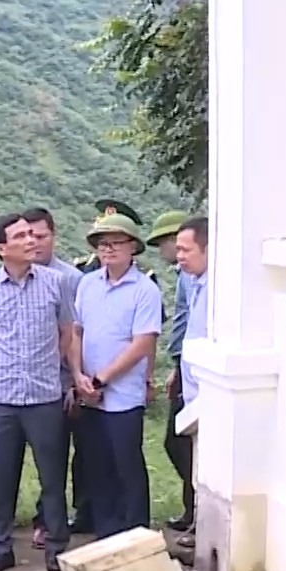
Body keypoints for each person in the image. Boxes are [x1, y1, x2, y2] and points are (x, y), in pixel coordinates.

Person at [0, 212, 77, 571]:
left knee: (52, 475)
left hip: (44, 395)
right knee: (1, 476)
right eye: (20, 237)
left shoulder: (56, 282)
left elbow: (67, 332)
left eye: (33, 235)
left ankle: (56, 545)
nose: (31, 241)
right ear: (2, 249)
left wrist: (50, 368)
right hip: (1, 397)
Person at [72, 213, 163, 539]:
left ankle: (136, 535)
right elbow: (76, 332)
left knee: (127, 466)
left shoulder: (144, 289)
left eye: (115, 243)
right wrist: (78, 376)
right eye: (101, 243)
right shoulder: (87, 283)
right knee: (96, 467)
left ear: (132, 247)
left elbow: (142, 343)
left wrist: (101, 379)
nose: (107, 250)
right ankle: (105, 533)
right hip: (88, 392)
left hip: (123, 395)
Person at [23, 206, 88, 548]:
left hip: (65, 382)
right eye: (27, 235)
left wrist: (74, 380)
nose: (33, 242)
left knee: (71, 456)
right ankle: (44, 520)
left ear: (53, 236)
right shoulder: (10, 277)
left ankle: (68, 519)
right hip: (26, 387)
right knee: (45, 458)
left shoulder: (71, 279)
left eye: (41, 235)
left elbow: (77, 333)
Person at [149, 211, 196, 533]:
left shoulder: (194, 277)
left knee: (181, 441)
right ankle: (192, 510)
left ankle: (197, 509)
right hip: (184, 362)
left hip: (192, 364)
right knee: (181, 442)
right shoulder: (184, 275)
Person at [172, 217, 211, 549]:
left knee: (210, 475)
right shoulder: (196, 284)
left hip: (210, 399)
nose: (179, 256)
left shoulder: (217, 292)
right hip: (194, 395)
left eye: (186, 250)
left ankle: (207, 538)